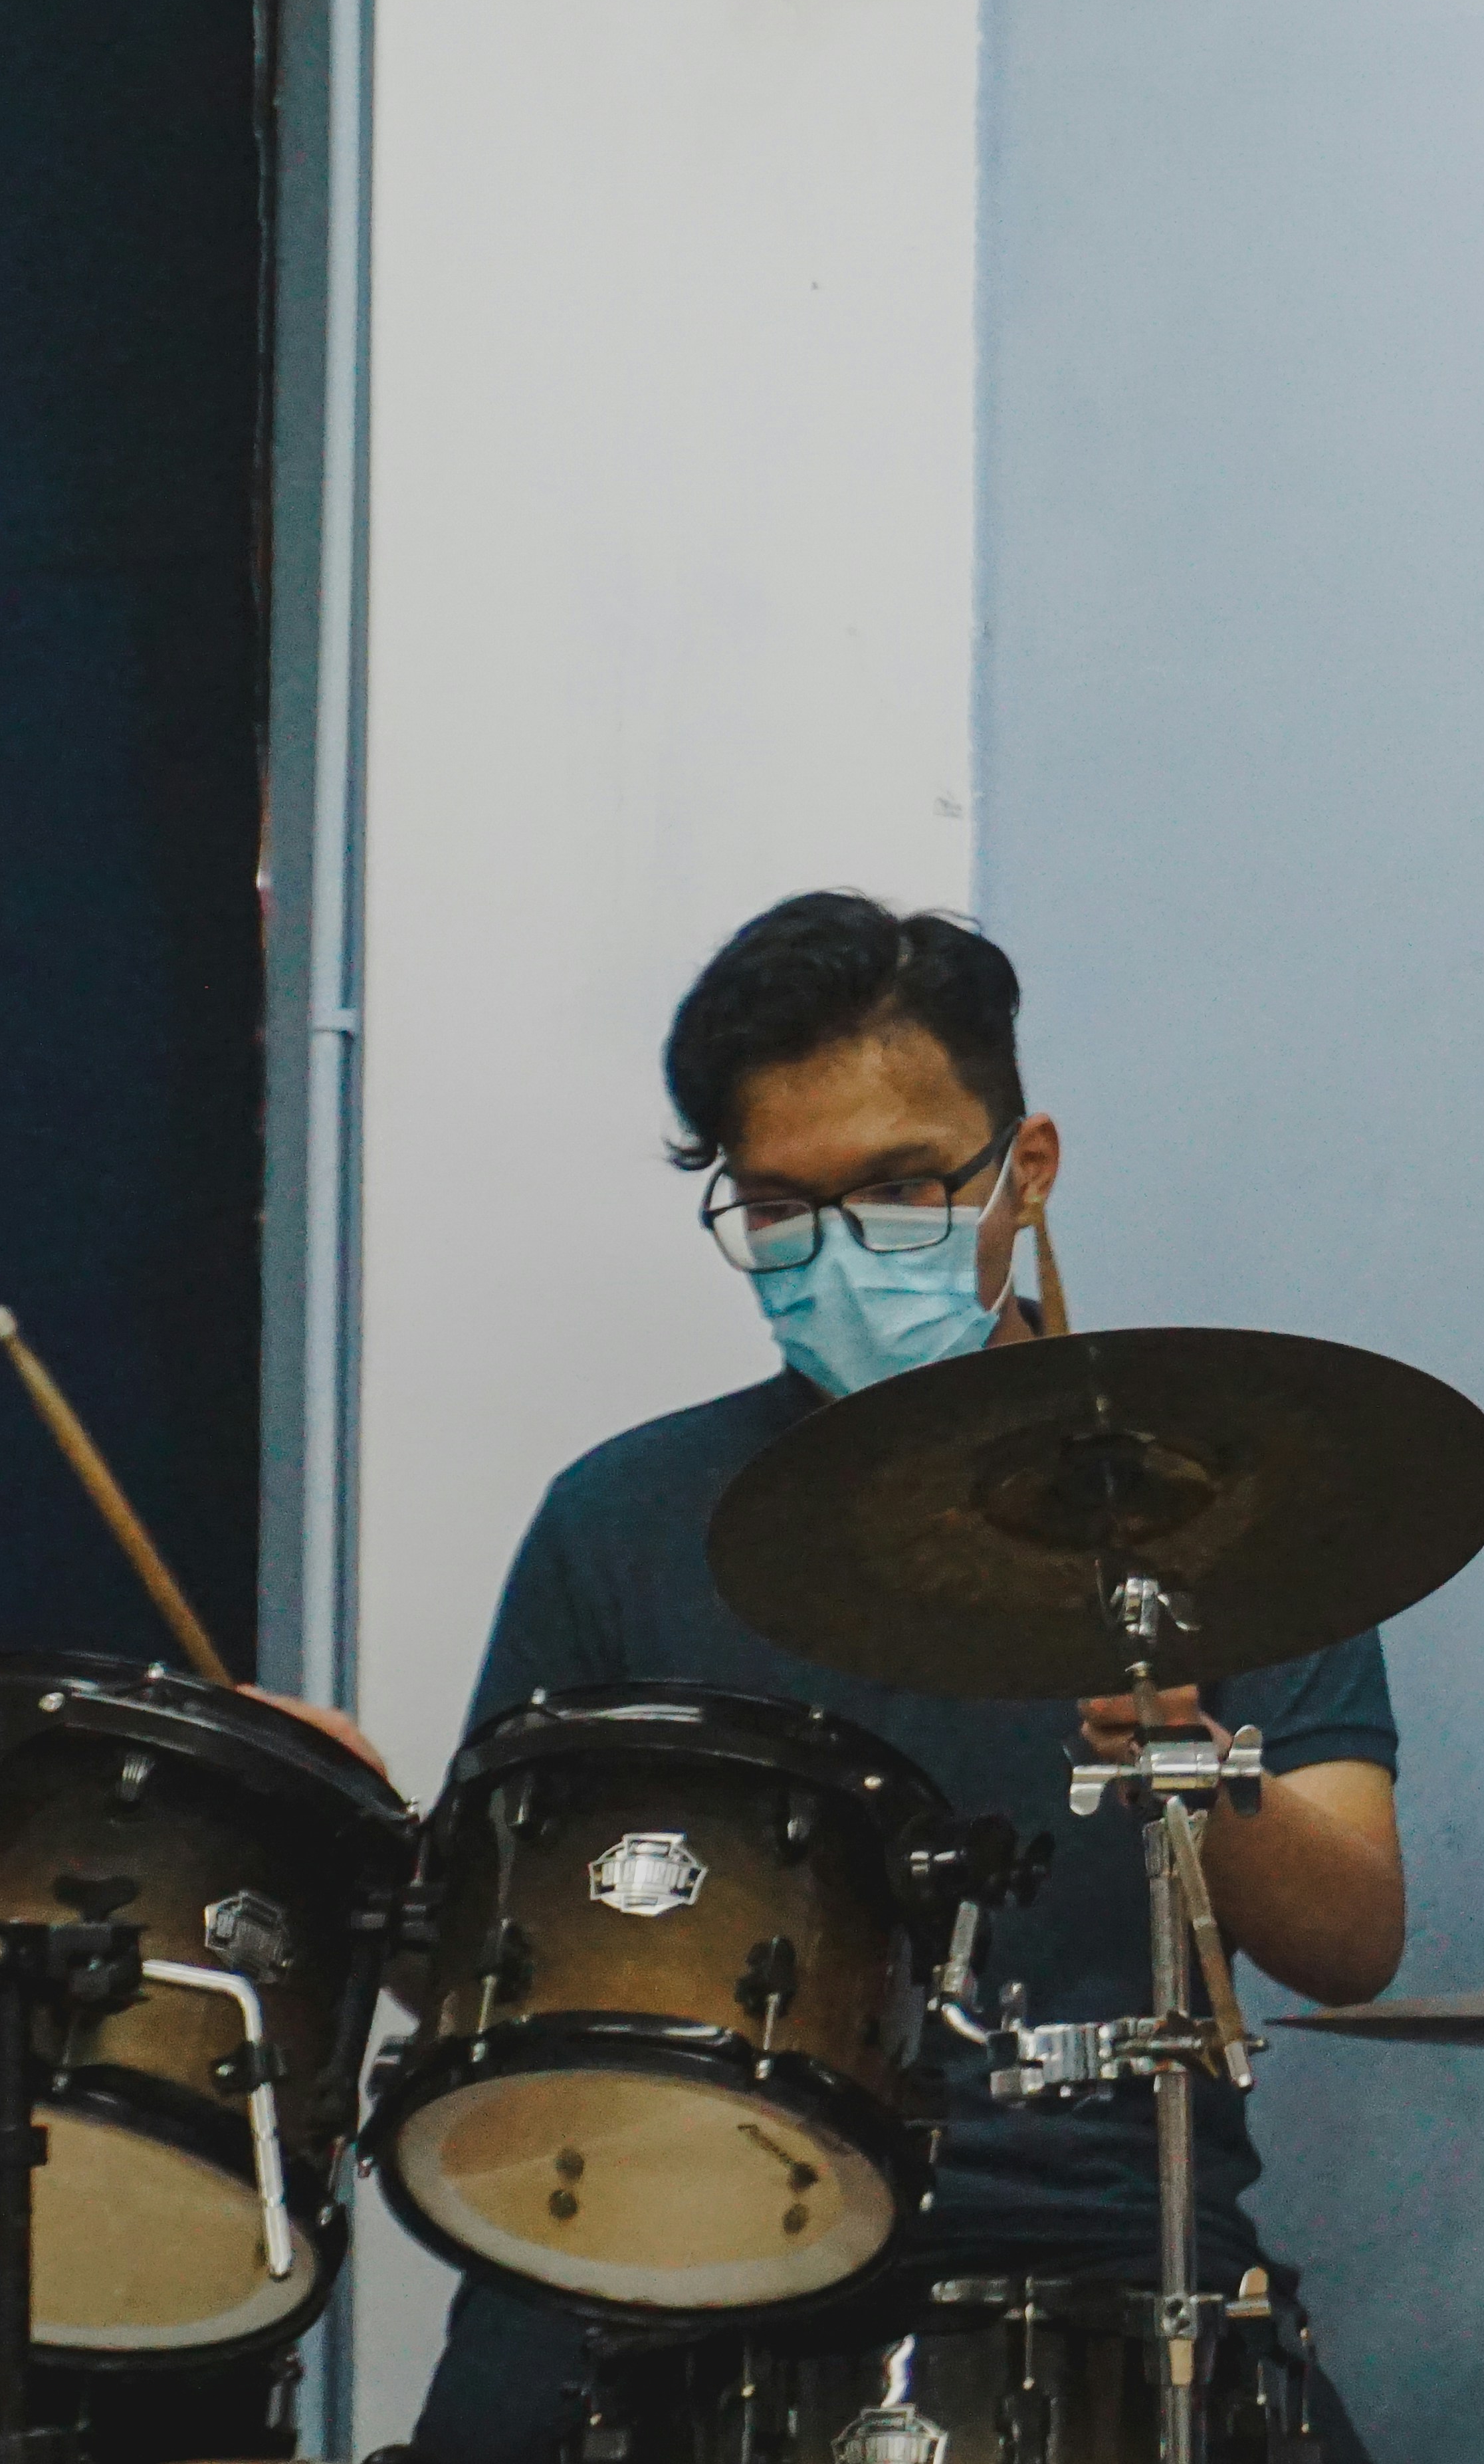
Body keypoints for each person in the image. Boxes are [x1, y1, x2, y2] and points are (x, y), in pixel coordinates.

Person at [403, 893, 1401, 2463]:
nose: (839, 1252)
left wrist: (1194, 1764)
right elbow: (480, 1978)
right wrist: (340, 1849)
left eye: (901, 1186)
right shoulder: (624, 1521)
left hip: (1092, 2245)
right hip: (667, 2238)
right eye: (781, 1209)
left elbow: (1354, 1943)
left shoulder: (1218, 1493)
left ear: (1028, 1168)